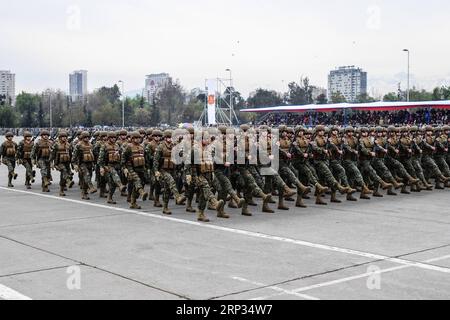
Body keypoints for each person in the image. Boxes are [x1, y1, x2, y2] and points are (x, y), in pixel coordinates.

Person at [121, 132, 149, 209]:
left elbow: (145, 158)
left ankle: (133, 202)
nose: (137, 139)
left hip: (140, 168)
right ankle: (142, 192)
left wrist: (146, 168)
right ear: (132, 139)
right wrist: (124, 168)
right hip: (131, 168)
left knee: (141, 183)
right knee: (137, 181)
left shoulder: (141, 147)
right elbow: (123, 159)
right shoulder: (128, 147)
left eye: (138, 138)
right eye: (135, 138)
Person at [72, 131, 97, 199]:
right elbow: (74, 156)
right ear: (82, 137)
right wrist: (75, 165)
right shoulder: (78, 145)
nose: (86, 138)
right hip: (82, 163)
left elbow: (92, 155)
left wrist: (93, 164)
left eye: (87, 137)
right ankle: (91, 187)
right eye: (85, 137)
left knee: (88, 177)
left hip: (89, 163)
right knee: (87, 175)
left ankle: (84, 192)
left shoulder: (91, 145)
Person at [50, 130, 74, 196]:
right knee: (64, 171)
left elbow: (71, 154)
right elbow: (52, 154)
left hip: (67, 162)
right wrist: (51, 163)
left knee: (63, 176)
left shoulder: (68, 145)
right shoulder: (56, 145)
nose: (64, 138)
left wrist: (73, 164)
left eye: (65, 137)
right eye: (63, 137)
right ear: (60, 137)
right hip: (59, 163)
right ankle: (68, 182)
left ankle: (62, 190)